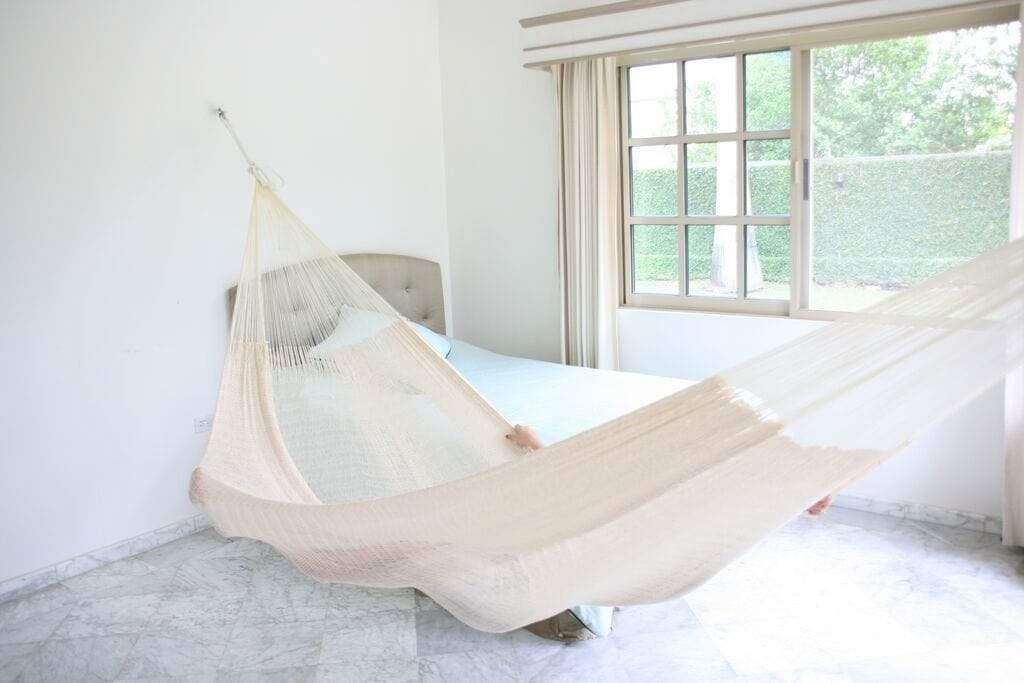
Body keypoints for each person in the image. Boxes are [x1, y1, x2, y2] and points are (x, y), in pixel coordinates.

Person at [506, 424, 833, 515]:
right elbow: (572, 475)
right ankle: (800, 486)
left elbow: (570, 472)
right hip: (641, 478)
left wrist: (533, 442)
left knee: (719, 454)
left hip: (638, 470)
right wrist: (534, 442)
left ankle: (800, 485)